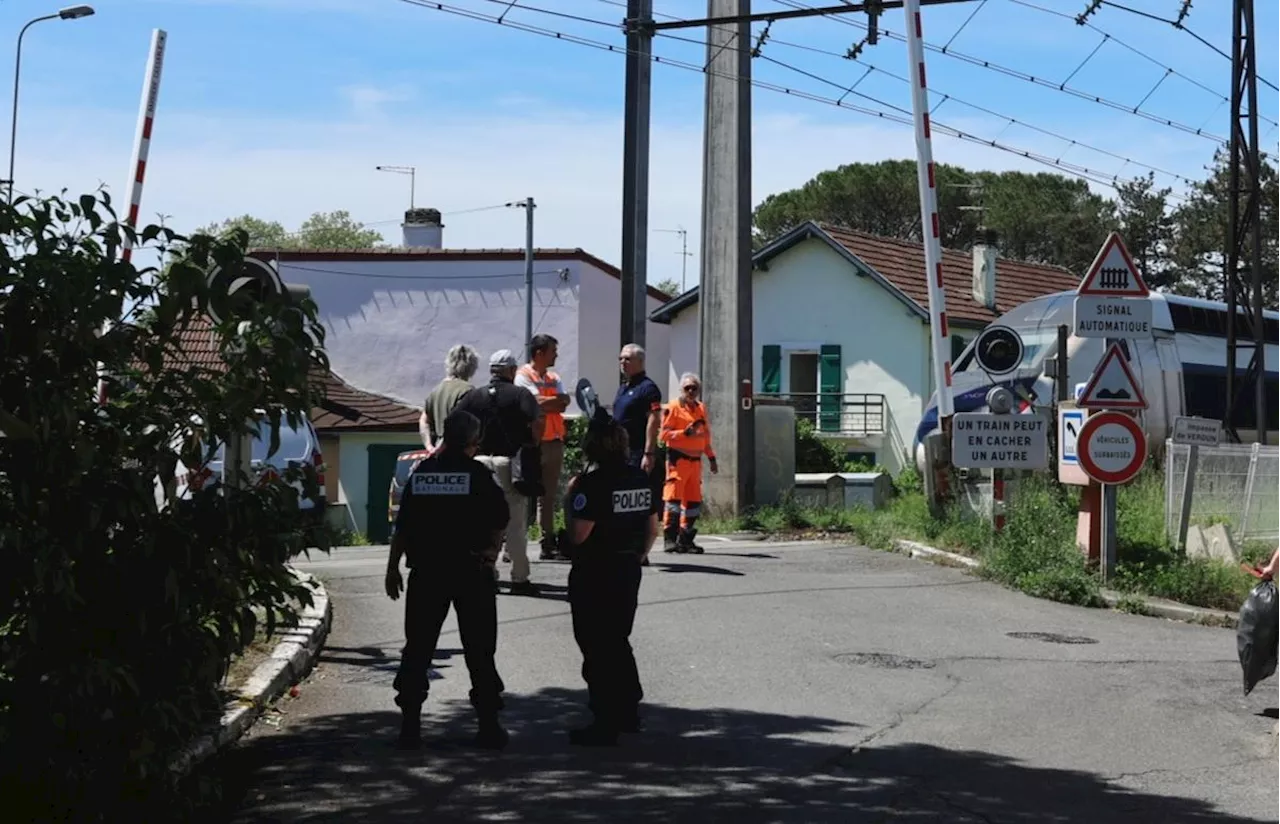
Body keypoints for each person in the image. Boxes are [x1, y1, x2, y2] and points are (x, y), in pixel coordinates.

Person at [384, 409, 510, 750]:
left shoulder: (421, 473)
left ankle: (409, 726)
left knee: (418, 649)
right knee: (480, 650)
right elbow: (501, 518)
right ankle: (488, 725)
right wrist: (491, 553)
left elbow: (403, 525)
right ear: (473, 441)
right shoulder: (480, 475)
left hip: (427, 573)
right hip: (472, 573)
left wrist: (392, 567)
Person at [560, 406, 659, 746]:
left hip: (595, 572)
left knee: (596, 645)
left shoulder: (591, 484)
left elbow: (578, 535)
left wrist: (569, 498)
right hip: (628, 568)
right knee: (617, 638)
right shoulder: (638, 478)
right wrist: (639, 555)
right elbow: (652, 527)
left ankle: (605, 719)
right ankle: (629, 707)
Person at [453, 349, 542, 596]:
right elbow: (536, 422)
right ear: (511, 370)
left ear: (492, 371)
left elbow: (456, 421)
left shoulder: (474, 395)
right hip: (509, 464)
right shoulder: (521, 394)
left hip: (479, 463)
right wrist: (533, 444)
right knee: (514, 523)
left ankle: (487, 573)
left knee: (481, 523)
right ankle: (519, 578)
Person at [516, 334, 571, 561]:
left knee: (547, 496)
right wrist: (552, 403)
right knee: (521, 494)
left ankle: (547, 544)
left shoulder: (553, 376)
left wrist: (547, 403)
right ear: (539, 353)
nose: (556, 355)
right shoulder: (522, 375)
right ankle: (513, 545)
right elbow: (531, 404)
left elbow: (564, 401)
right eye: (552, 351)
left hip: (554, 442)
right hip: (533, 444)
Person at [658, 372, 718, 553]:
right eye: (687, 388)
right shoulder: (673, 407)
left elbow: (705, 436)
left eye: (694, 388)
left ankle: (686, 539)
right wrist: (684, 433)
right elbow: (663, 435)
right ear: (681, 390)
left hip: (695, 462)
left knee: (693, 503)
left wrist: (711, 457)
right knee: (673, 500)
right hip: (678, 460)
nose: (691, 391)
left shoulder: (701, 408)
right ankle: (670, 540)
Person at [420, 344, 480, 450]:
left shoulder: (436, 391)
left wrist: (429, 446)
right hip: (459, 450)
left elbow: (424, 421)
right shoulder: (467, 390)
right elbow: (454, 423)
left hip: (440, 449)